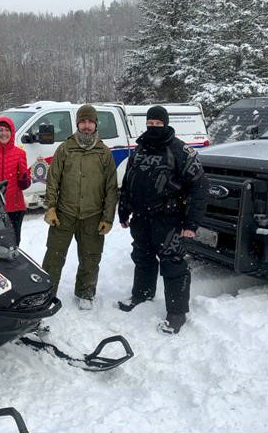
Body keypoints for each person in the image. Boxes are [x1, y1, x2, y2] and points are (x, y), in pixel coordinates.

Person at [117, 105, 207, 334]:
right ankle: (142, 294)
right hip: (141, 218)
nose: (153, 127)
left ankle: (177, 313)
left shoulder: (179, 150)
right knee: (142, 257)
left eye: (158, 124)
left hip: (169, 219)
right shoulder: (139, 150)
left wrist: (191, 224)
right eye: (150, 123)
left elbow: (199, 186)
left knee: (172, 263)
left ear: (165, 124)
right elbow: (129, 181)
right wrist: (124, 210)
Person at [42, 104, 117, 310]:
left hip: (93, 215)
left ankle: (85, 292)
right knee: (53, 256)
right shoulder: (65, 149)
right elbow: (53, 180)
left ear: (95, 124)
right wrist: (51, 207)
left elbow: (111, 188)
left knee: (90, 257)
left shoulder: (104, 152)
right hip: (64, 213)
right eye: (82, 122)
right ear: (77, 124)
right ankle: (46, 294)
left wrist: (108, 217)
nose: (86, 126)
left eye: (90, 122)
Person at [0, 117, 31, 245]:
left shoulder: (20, 153)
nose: (4, 133)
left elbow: (24, 184)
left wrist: (25, 178)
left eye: (7, 130)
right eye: (0, 130)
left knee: (13, 242)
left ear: (12, 132)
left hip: (15, 207)